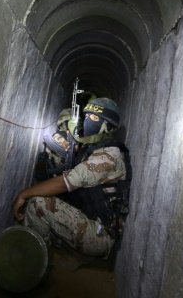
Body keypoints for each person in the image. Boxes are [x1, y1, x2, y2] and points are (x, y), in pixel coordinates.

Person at [12, 98, 132, 258]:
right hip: (90, 218)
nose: (88, 120)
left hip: (101, 235)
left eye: (94, 118)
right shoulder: (95, 149)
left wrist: (23, 194)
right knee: (47, 197)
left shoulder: (108, 156)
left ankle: (36, 258)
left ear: (107, 126)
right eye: (87, 116)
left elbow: (65, 182)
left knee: (38, 203)